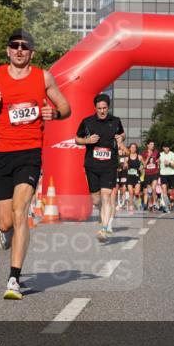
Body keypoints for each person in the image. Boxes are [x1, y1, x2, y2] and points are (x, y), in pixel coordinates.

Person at [0, 29, 70, 300]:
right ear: (8, 51)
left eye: (25, 46)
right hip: (2, 154)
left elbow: (66, 107)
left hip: (30, 153)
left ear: (31, 52)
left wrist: (54, 113)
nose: (19, 50)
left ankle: (14, 279)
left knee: (21, 212)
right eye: (15, 46)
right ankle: (6, 234)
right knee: (4, 221)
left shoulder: (43, 77)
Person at [74, 94, 126, 242]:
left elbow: (122, 133)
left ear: (108, 107)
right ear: (95, 108)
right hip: (92, 164)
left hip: (109, 164)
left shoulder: (115, 121)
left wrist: (122, 137)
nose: (102, 111)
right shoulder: (87, 122)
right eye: (99, 108)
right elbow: (76, 139)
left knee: (106, 194)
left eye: (104, 108)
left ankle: (104, 228)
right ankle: (105, 214)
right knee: (96, 199)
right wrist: (87, 140)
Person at [158, 143, 174, 213]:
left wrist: (169, 163)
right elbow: (157, 163)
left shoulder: (172, 155)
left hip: (171, 174)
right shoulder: (160, 154)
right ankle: (167, 207)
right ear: (163, 148)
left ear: (169, 148)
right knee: (164, 190)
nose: (166, 148)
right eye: (165, 147)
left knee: (170, 192)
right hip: (163, 174)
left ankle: (171, 202)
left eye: (167, 147)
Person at [142, 141, 161, 212]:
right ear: (147, 145)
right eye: (151, 144)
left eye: (153, 144)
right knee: (149, 190)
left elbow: (158, 161)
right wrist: (149, 156)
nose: (152, 145)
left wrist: (158, 161)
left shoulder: (156, 152)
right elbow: (144, 164)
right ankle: (150, 202)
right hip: (147, 174)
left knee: (153, 188)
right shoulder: (144, 153)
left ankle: (154, 202)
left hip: (155, 172)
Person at [125, 143, 143, 212]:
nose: (133, 149)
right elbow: (124, 166)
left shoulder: (139, 157)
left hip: (137, 177)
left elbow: (143, 165)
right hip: (129, 177)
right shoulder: (127, 158)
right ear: (129, 148)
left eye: (134, 147)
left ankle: (138, 202)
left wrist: (141, 167)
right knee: (131, 193)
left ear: (136, 149)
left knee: (136, 192)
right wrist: (125, 165)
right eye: (131, 147)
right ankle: (131, 206)